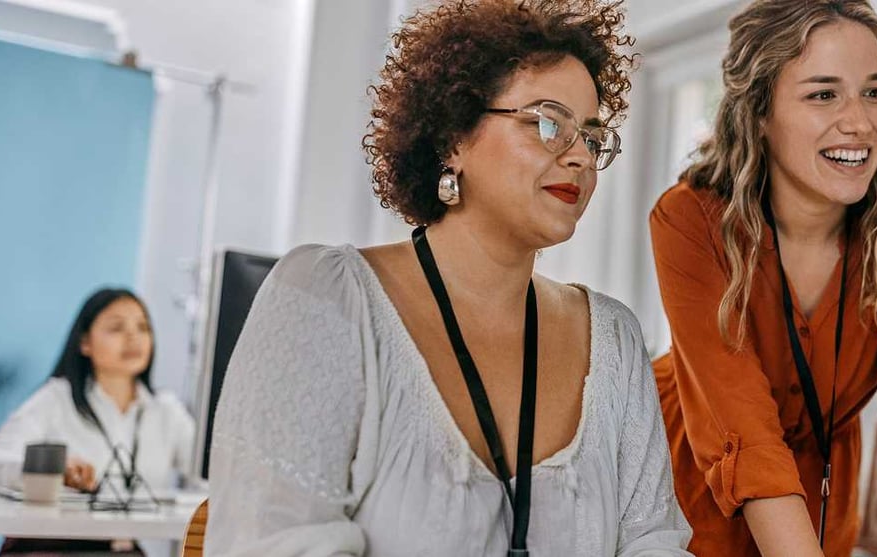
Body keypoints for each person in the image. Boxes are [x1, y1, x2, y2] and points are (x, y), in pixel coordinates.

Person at [204, 1, 690, 555]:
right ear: (455, 137)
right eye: (549, 123)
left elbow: (653, 542)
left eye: (592, 137)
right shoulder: (326, 297)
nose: (580, 156)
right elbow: (273, 542)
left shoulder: (614, 340)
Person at [649, 1, 877, 556]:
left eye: (874, 92)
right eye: (823, 94)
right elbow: (744, 432)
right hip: (690, 484)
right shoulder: (690, 219)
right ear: (759, 112)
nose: (861, 122)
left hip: (822, 495)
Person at [0, 288, 196, 554]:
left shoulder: (166, 411)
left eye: (143, 328)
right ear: (85, 342)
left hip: (120, 550)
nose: (133, 337)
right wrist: (51, 469)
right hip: (48, 547)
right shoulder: (56, 399)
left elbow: (213, 477)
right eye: (117, 328)